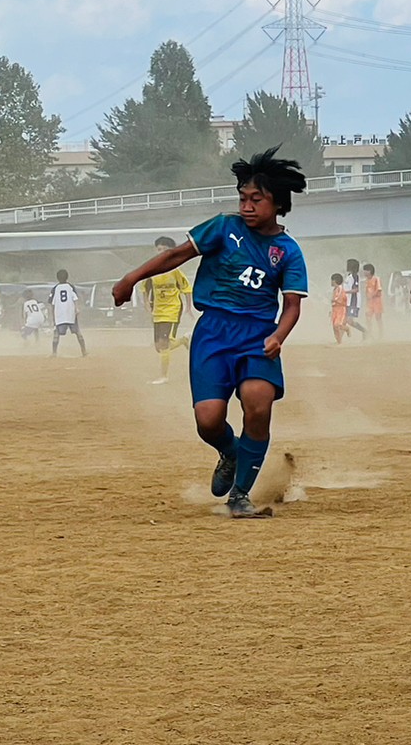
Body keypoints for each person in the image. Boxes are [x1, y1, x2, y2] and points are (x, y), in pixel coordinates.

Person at [112, 147, 308, 519]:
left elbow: (293, 306)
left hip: (256, 338)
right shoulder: (223, 227)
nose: (247, 206)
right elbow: (176, 255)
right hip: (213, 333)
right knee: (208, 420)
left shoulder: (288, 252)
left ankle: (240, 496)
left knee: (258, 405)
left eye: (257, 200)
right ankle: (230, 452)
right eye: (243, 198)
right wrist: (131, 278)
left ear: (278, 203)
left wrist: (278, 336)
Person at [142, 235, 193, 384]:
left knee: (163, 344)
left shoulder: (175, 269)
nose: (162, 252)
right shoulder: (151, 269)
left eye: (165, 249)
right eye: (159, 249)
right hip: (158, 311)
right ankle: (184, 340)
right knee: (159, 346)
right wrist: (146, 305)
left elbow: (187, 288)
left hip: (172, 309)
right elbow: (144, 289)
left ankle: (164, 376)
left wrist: (189, 308)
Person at [48, 269, 86, 357]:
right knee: (77, 332)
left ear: (57, 278)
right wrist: (77, 308)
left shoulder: (55, 288)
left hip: (59, 313)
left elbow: (51, 303)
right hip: (70, 313)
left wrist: (52, 315)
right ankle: (84, 351)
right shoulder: (70, 287)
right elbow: (75, 298)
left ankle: (54, 353)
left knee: (56, 332)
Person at [342, 258, 367, 340]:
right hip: (348, 301)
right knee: (344, 320)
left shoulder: (355, 276)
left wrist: (344, 292)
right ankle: (340, 339)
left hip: (354, 301)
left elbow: (356, 289)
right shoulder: (349, 276)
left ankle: (364, 331)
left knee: (349, 321)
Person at [363, 263, 385, 340]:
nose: (364, 272)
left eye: (366, 270)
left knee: (378, 318)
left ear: (370, 271)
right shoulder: (366, 280)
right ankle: (370, 333)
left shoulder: (376, 279)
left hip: (377, 301)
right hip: (369, 302)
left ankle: (380, 334)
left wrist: (371, 296)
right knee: (367, 317)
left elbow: (379, 290)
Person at [329, 273, 349, 343]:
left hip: (341, 309)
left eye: (331, 280)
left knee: (337, 325)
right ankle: (339, 341)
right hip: (335, 309)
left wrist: (334, 300)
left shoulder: (340, 288)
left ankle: (346, 328)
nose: (331, 282)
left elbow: (338, 298)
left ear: (335, 281)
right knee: (334, 327)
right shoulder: (334, 289)